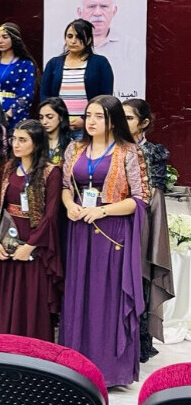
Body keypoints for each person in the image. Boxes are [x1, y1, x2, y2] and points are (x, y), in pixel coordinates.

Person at [60, 95, 148, 387]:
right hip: (79, 229)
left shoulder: (129, 151)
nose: (91, 121)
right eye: (88, 115)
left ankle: (110, 370)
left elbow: (140, 199)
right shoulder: (75, 148)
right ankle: (76, 364)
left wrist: (102, 210)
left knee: (105, 296)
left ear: (113, 121)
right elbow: (65, 186)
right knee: (78, 293)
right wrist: (69, 205)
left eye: (99, 116)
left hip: (110, 233)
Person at [0, 120, 64, 342]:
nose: (16, 144)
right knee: (5, 295)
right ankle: (4, 344)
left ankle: (31, 347)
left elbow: (50, 215)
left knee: (31, 297)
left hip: (35, 242)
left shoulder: (51, 172)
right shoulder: (8, 168)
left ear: (37, 143)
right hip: (7, 237)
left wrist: (30, 246)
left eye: (23, 140)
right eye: (14, 139)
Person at [124, 98, 174, 363]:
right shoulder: (113, 148)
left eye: (129, 118)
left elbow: (154, 193)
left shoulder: (153, 152)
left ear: (143, 123)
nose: (123, 123)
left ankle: (139, 342)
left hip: (142, 222)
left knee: (141, 279)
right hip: (114, 221)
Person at [40, 19, 114, 139]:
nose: (73, 41)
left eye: (79, 37)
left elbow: (106, 98)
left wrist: (85, 119)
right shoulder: (54, 63)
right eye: (70, 36)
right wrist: (57, 118)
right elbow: (44, 95)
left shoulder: (100, 63)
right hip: (59, 126)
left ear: (89, 40)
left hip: (88, 127)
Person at [77, 0, 140, 97]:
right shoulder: (62, 47)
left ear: (114, 11)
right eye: (91, 6)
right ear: (80, 12)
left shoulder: (131, 47)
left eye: (104, 6)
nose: (97, 13)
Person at [0, 23, 37, 128]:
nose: (0, 41)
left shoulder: (25, 64)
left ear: (14, 39)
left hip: (15, 116)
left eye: (5, 37)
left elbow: (26, 95)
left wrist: (9, 113)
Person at [38, 97, 71, 165]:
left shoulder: (71, 144)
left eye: (50, 117)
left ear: (61, 117)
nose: (44, 122)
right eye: (41, 117)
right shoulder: (35, 142)